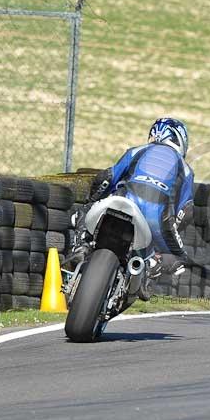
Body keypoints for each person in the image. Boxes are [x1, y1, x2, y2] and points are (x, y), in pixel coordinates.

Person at [70, 117, 195, 295]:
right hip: (158, 219)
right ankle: (152, 266)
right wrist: (173, 232)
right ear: (180, 141)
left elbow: (107, 177)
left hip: (123, 200)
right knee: (179, 258)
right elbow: (187, 210)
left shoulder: (136, 151)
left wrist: (91, 203)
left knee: (82, 213)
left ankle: (80, 245)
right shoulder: (186, 169)